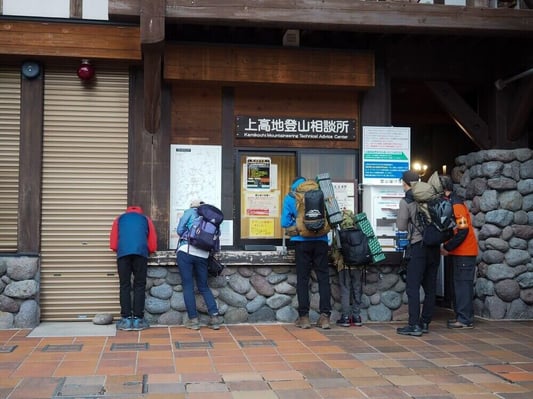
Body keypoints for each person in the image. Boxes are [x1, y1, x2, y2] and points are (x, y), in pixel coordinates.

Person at [281, 176, 332, 329]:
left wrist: (297, 224)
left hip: (301, 242)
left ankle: (304, 318)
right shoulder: (322, 193)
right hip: (321, 241)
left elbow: (284, 223)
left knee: (303, 279)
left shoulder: (291, 197)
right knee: (323, 278)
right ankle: (325, 317)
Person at [396, 170, 441, 336]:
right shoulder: (431, 196)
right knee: (430, 287)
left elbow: (401, 226)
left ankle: (413, 324)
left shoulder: (406, 200)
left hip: (418, 246)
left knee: (412, 287)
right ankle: (425, 323)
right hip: (434, 246)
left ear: (405, 183)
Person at [439, 175, 479, 329]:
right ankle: (461, 317)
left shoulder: (457, 206)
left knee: (462, 286)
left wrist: (448, 248)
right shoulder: (454, 203)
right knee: (459, 286)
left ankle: (464, 319)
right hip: (460, 252)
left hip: (464, 253)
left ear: (444, 190)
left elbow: (462, 231)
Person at [110, 205, 158, 331]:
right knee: (139, 285)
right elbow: (152, 242)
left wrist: (120, 249)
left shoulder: (119, 219)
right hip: (140, 254)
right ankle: (138, 319)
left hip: (123, 254)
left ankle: (125, 319)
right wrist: (150, 250)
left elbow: (113, 244)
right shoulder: (145, 219)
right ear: (139, 211)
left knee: (124, 285)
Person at [176, 199, 222, 330]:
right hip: (203, 255)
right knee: (203, 287)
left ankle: (194, 321)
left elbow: (180, 230)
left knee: (188, 286)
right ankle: (214, 318)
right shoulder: (213, 219)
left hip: (186, 251)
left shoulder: (190, 212)